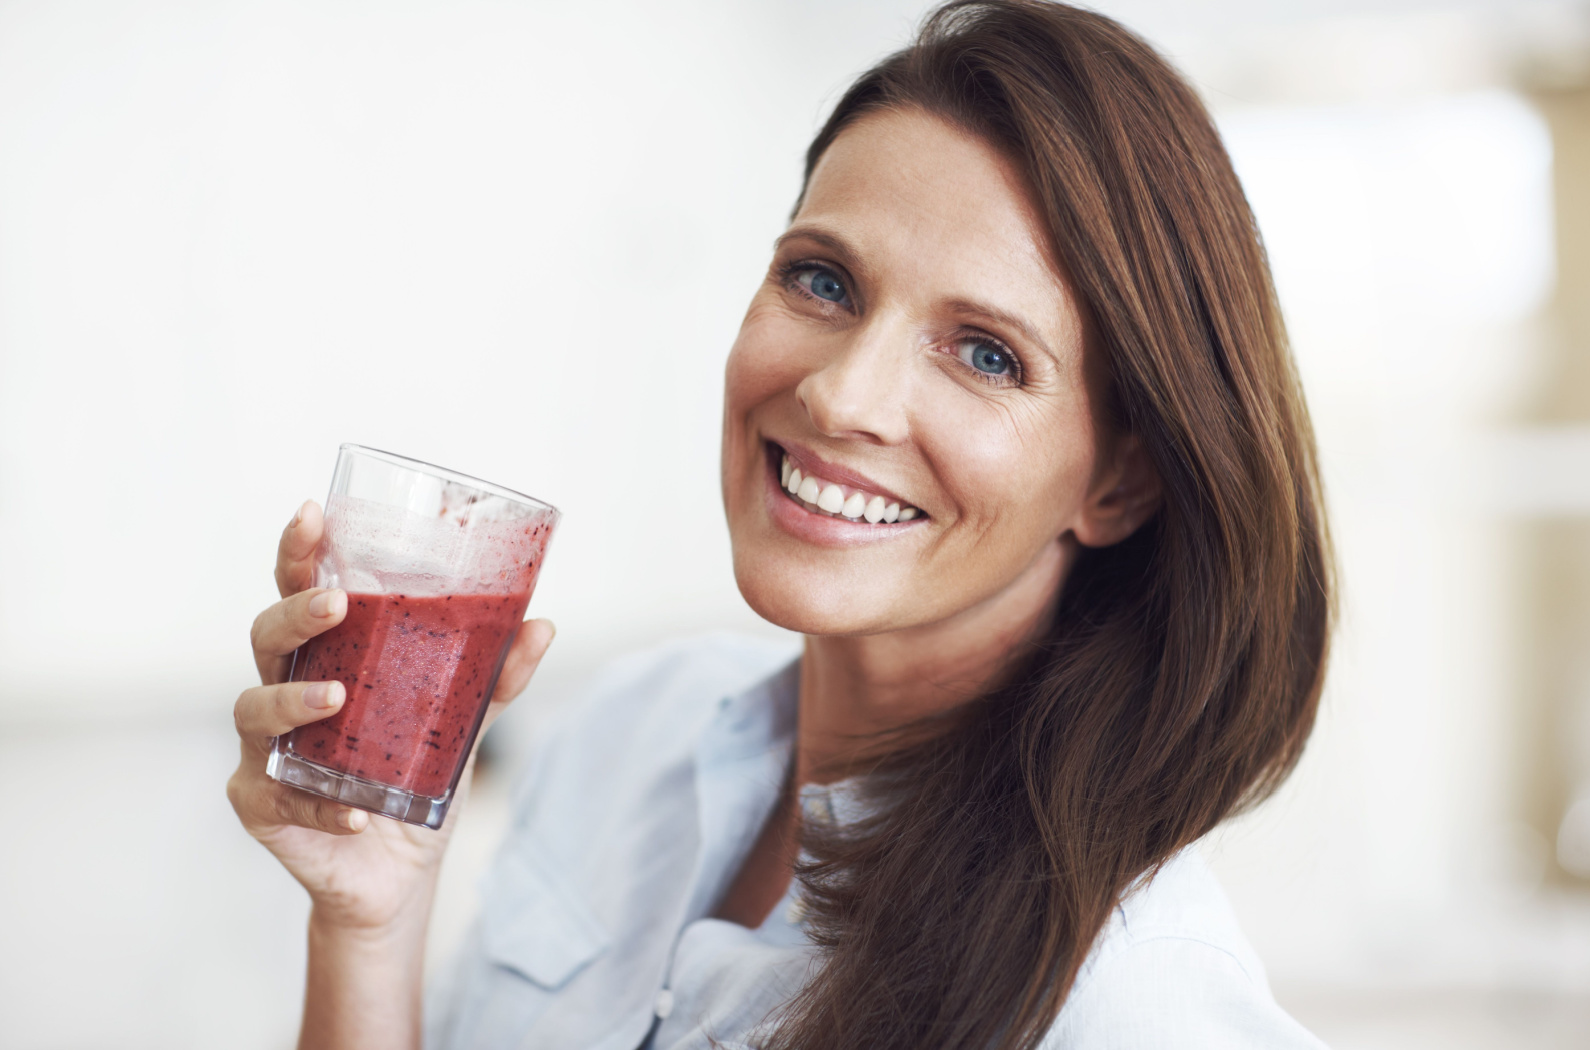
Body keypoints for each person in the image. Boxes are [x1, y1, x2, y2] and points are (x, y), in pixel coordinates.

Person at [228, 2, 1333, 1047]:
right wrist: (369, 925)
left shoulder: (1134, 997)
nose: (841, 397)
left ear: (1120, 485)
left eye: (987, 354)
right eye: (823, 282)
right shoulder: (623, 736)